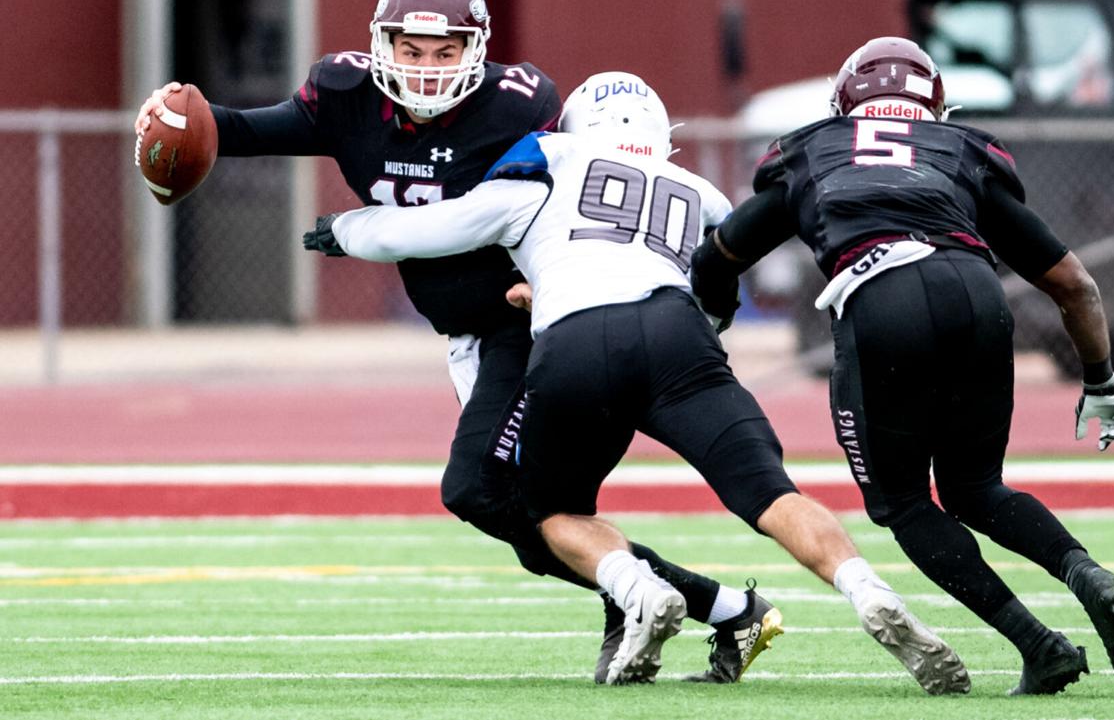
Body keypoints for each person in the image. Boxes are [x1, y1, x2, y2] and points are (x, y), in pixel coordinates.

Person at [134, 0, 768, 684]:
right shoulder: (345, 95)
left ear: (478, 49)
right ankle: (720, 609)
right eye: (411, 50)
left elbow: (589, 201)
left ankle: (658, 596)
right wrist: (184, 115)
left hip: (528, 327)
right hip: (468, 336)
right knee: (534, 526)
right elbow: (247, 130)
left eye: (444, 52)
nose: (427, 69)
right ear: (382, 47)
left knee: (475, 488)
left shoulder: (518, 107)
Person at [303, 70, 971, 693]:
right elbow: (719, 278)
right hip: (680, 340)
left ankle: (636, 588)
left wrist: (345, 229)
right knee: (772, 493)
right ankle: (866, 587)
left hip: (578, 343)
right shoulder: (698, 192)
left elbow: (427, 229)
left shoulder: (547, 164)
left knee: (554, 511)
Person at [689, 36, 1114, 696]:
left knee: (905, 502)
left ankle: (1038, 643)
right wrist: (1101, 380)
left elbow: (718, 258)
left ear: (845, 102)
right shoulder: (963, 151)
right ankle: (1084, 571)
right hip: (975, 292)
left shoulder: (813, 148)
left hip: (880, 297)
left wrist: (711, 323)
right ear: (934, 103)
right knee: (977, 488)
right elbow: (1075, 284)